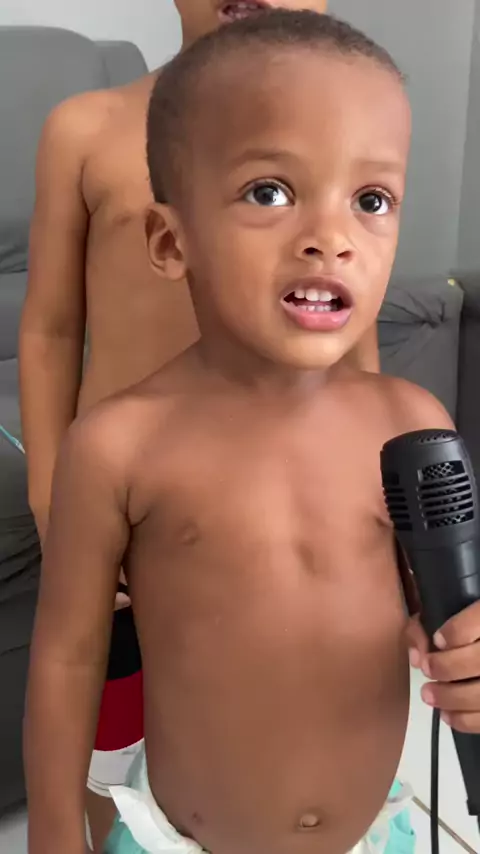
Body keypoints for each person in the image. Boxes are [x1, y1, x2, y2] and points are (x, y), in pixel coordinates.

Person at [26, 10, 480, 854]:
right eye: (269, 192)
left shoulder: (411, 426)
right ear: (171, 241)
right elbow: (66, 661)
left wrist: (465, 649)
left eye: (372, 200)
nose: (331, 239)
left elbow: (442, 611)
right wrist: (54, 834)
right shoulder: (120, 448)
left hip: (379, 833)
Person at [19, 3, 344, 850]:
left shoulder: (340, 141)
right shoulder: (89, 129)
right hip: (125, 510)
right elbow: (50, 328)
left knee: (272, 726)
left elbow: (354, 349)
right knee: (111, 735)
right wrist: (53, 495)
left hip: (282, 506)